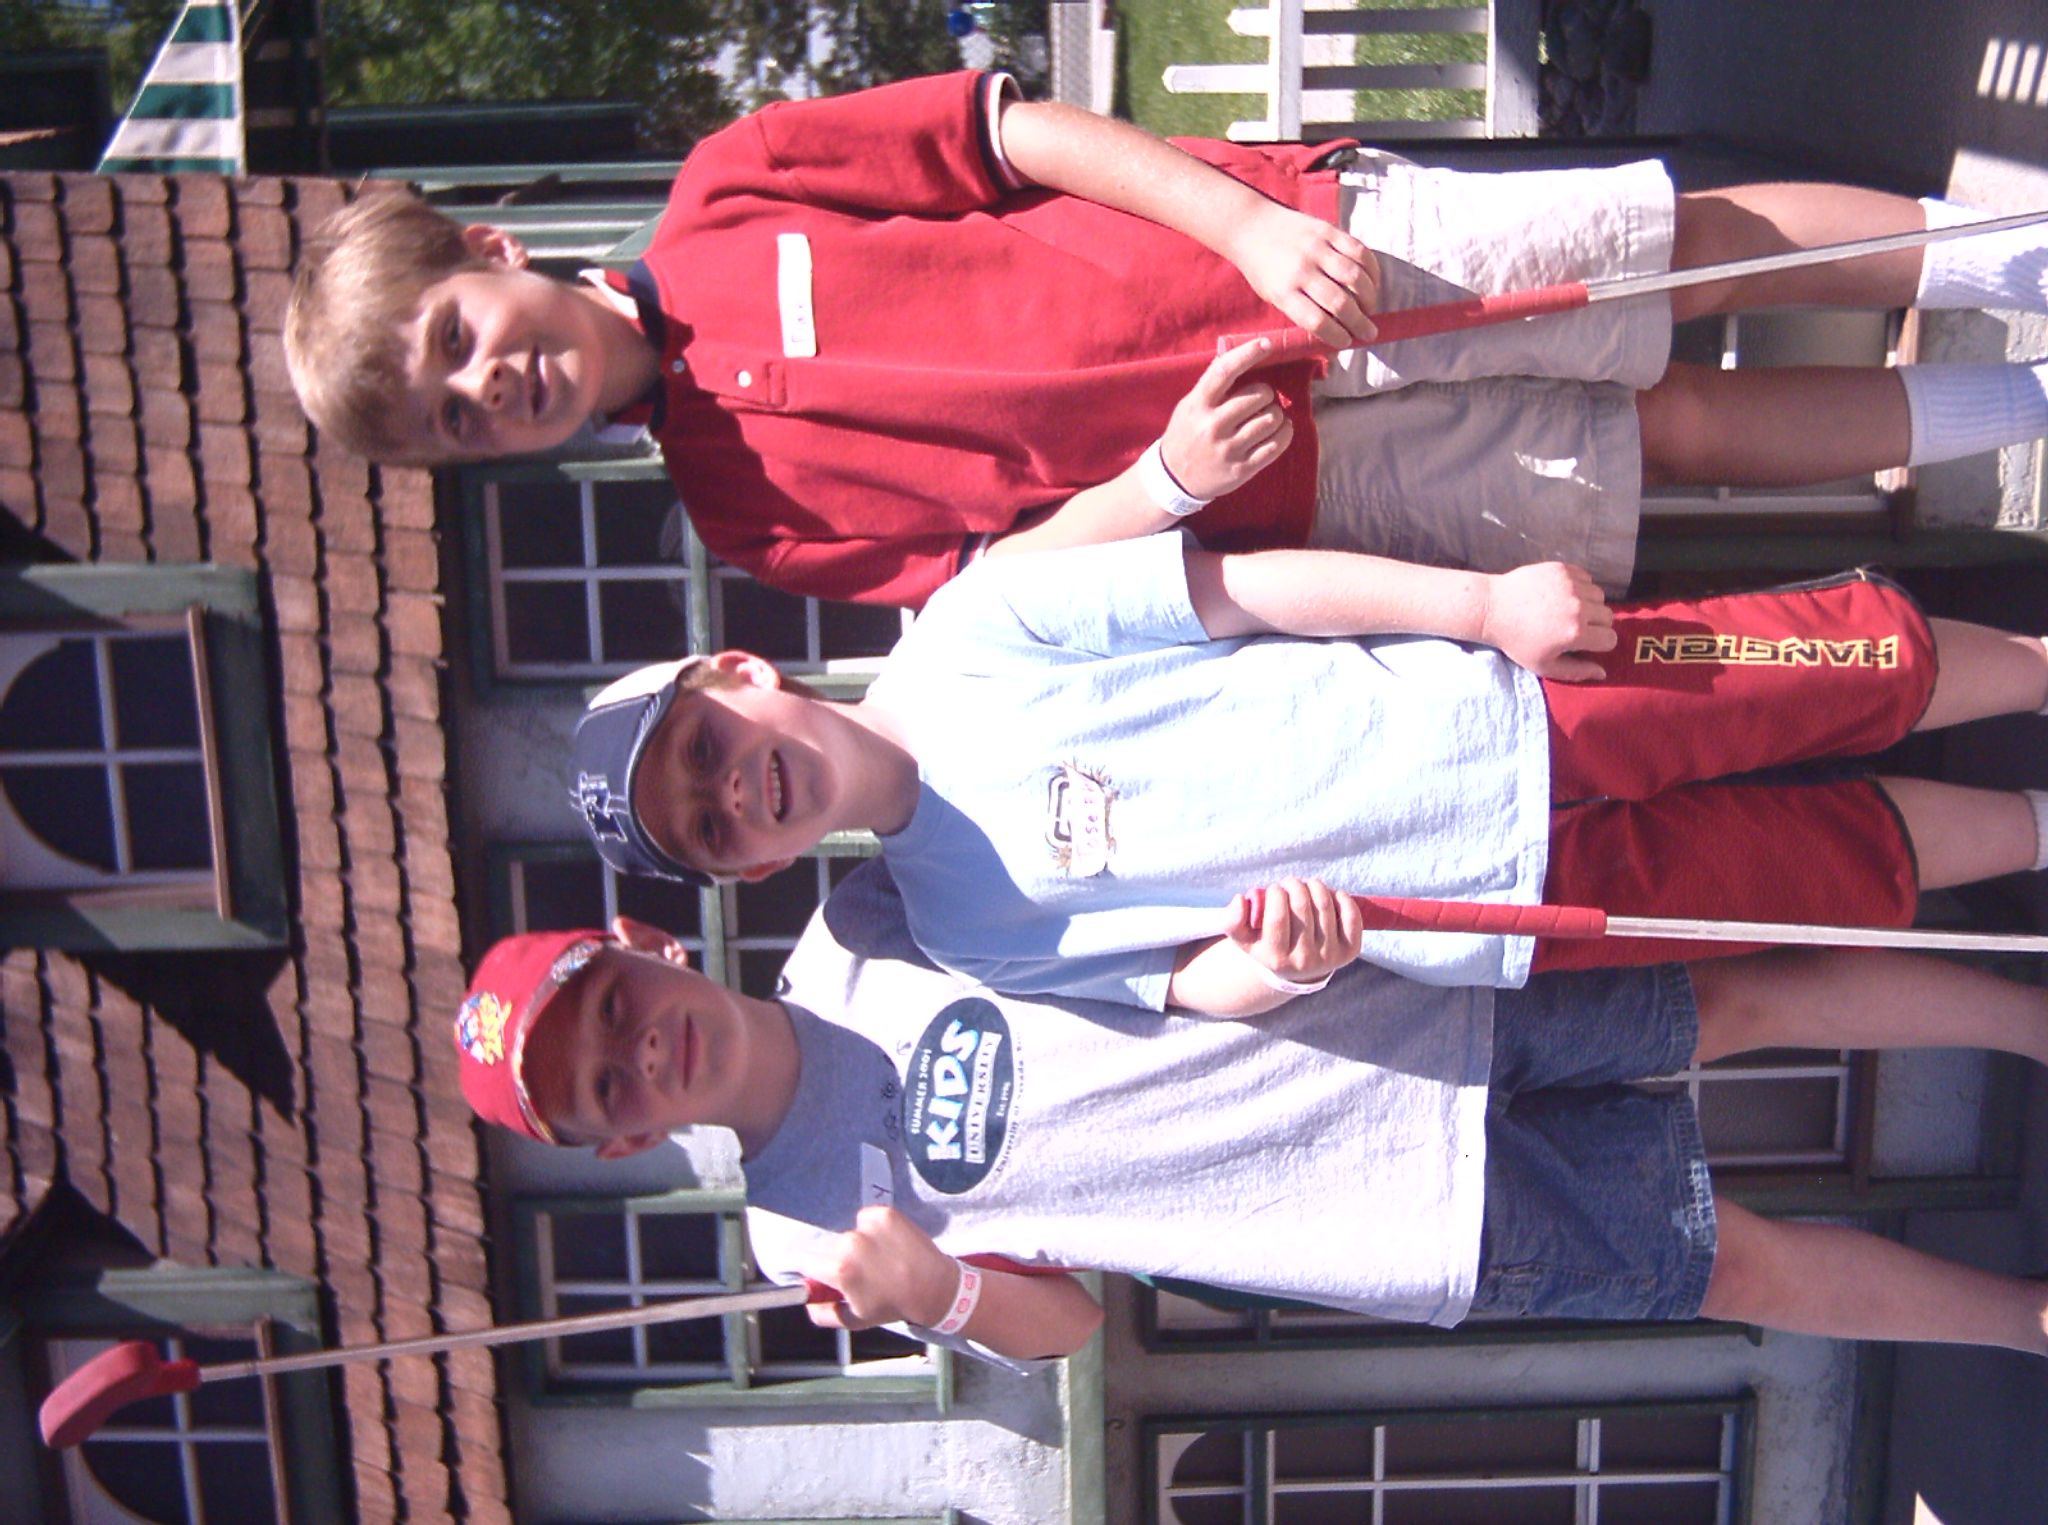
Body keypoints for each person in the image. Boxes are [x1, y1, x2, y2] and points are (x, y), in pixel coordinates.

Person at [285, 70, 2048, 607]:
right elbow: (998, 582)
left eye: (457, 339)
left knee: (1685, 264)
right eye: (457, 420)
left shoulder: (730, 189)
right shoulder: (744, 524)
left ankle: (2021, 262)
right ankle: (2030, 398)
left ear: (494, 252)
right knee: (1677, 445)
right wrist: (1163, 485)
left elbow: (1010, 138)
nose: (487, 386)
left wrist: (1248, 227)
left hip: (1303, 253)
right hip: (1292, 482)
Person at [448, 861, 2048, 1362]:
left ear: (647, 946)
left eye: (614, 1007)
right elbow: (1070, 1329)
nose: (637, 1052)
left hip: (1384, 1002)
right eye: (602, 1087)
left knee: (1737, 999)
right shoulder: (802, 1243)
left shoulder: (867, 915)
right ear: (616, 1144)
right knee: (1732, 1268)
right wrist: (935, 1295)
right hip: (1384, 1219)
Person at [567, 525, 2048, 1015]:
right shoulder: (965, 931)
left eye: (706, 752)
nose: (733, 792)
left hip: (1508, 704)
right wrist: (1275, 971)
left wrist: (1483, 607)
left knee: (1840, 666)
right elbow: (1177, 984)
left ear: (739, 675)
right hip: (1490, 912)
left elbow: (1245, 591)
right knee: (1831, 875)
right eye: (708, 830)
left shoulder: (973, 624)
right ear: (757, 868)